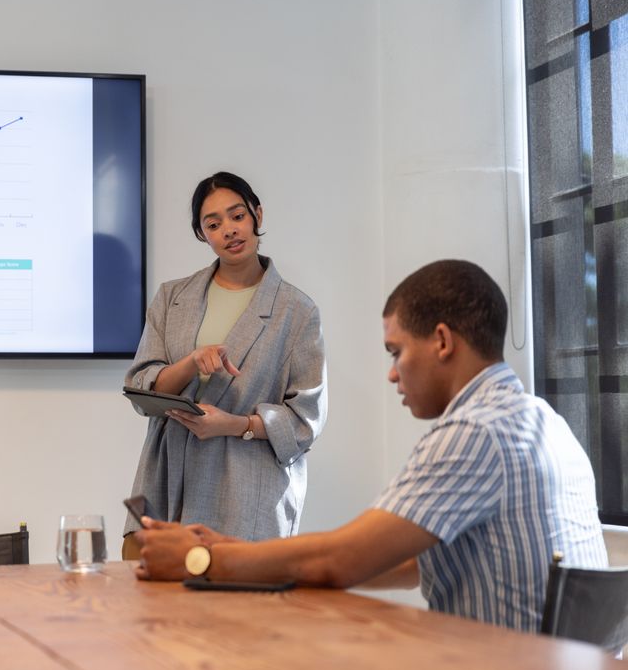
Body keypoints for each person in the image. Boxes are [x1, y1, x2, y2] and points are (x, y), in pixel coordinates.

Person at [134, 259, 608, 632]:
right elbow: (405, 562)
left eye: (396, 351)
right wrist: (237, 551)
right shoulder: (545, 421)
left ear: (442, 342)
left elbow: (341, 559)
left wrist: (203, 560)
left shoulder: (477, 432)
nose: (392, 372)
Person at [122, 171, 327, 556]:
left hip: (247, 491)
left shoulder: (296, 311)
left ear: (257, 216)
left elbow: (305, 419)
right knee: (153, 610)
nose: (228, 231)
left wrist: (234, 425)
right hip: (166, 481)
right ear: (203, 234)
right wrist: (190, 363)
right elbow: (139, 389)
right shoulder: (172, 298)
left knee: (237, 611)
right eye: (213, 224)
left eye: (237, 217)